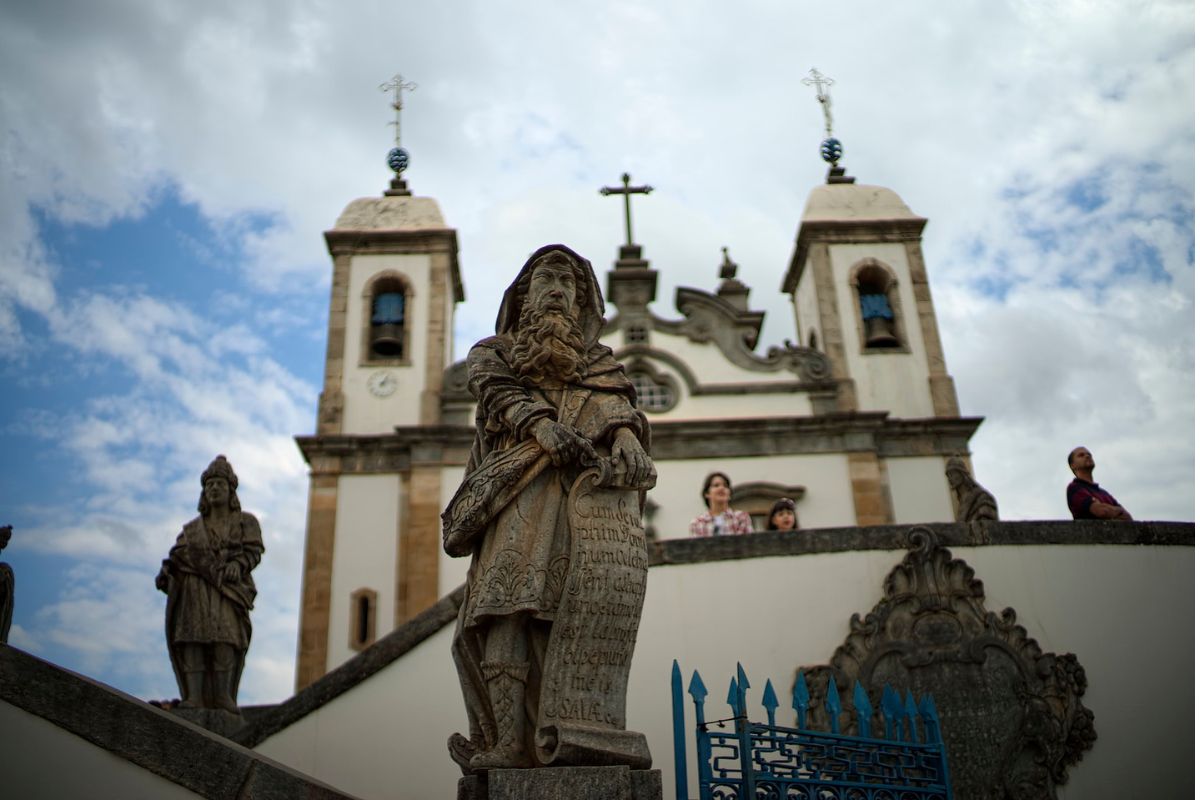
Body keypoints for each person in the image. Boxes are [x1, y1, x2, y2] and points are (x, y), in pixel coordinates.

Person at [441, 244, 655, 771]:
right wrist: (542, 428)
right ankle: (508, 742)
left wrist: (626, 436)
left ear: (584, 304)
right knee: (502, 616)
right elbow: (498, 393)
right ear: (525, 294)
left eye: (570, 284)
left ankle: (568, 731)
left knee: (562, 618)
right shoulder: (494, 352)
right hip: (513, 499)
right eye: (546, 279)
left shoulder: (600, 363)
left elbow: (614, 400)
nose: (558, 289)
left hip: (574, 508)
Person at [155, 455, 263, 712]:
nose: (214, 489)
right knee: (193, 639)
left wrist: (239, 564)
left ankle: (223, 696)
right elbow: (177, 556)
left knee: (226, 639)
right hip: (194, 591)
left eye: (220, 485)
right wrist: (167, 573)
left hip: (227, 590)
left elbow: (254, 551)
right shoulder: (192, 529)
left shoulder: (245, 522)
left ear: (231, 491)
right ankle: (194, 697)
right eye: (209, 485)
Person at [1066, 446, 1132, 520]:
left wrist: (1103, 507)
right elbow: (1101, 511)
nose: (1087, 456)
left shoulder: (1104, 493)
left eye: (1089, 454)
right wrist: (1117, 511)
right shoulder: (1074, 488)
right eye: (1081, 455)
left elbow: (1128, 517)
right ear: (1072, 465)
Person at [689, 471, 752, 536]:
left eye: (725, 486)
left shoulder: (741, 518)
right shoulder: (698, 523)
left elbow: (745, 544)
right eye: (716, 485)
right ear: (707, 493)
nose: (721, 488)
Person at [945, 457, 999, 522]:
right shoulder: (961, 502)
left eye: (952, 474)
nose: (950, 479)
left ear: (961, 473)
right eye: (948, 476)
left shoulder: (982, 497)